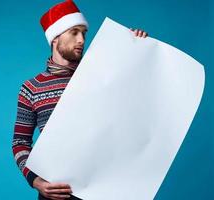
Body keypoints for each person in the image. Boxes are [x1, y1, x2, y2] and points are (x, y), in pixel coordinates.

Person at [12, 1, 148, 199]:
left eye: (84, 33)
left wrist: (138, 49)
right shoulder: (32, 88)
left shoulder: (101, 77)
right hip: (57, 193)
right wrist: (34, 180)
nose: (81, 39)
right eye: (74, 32)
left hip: (107, 188)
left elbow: (133, 98)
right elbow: (20, 141)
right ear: (55, 38)